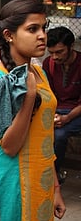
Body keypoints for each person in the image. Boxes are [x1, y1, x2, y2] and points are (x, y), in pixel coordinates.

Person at [0, 0, 66, 221]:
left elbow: (45, 137)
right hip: (13, 186)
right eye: (32, 29)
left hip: (40, 184)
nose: (43, 36)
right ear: (8, 35)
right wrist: (28, 99)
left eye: (44, 27)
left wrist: (55, 188)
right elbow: (8, 146)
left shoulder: (39, 73)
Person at [42, 26, 81, 180]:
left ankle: (53, 178)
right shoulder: (48, 64)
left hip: (76, 112)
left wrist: (67, 118)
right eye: (51, 52)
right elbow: (48, 94)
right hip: (56, 111)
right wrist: (53, 115)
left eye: (59, 52)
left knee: (59, 135)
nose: (55, 57)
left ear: (71, 46)